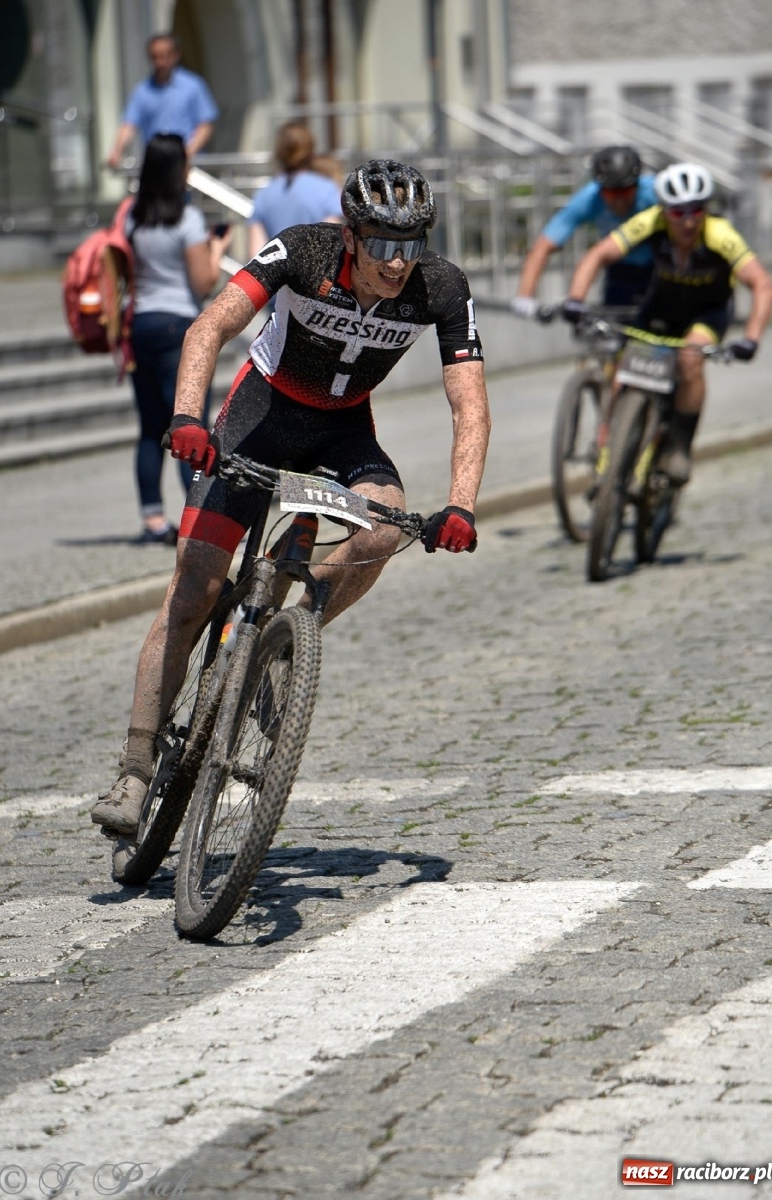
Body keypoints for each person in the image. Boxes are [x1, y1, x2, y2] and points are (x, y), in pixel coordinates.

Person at [92, 159, 491, 834]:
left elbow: (469, 401)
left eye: (411, 244)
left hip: (342, 430)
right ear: (351, 236)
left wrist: (461, 503)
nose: (397, 263)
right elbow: (210, 326)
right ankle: (133, 771)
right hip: (260, 414)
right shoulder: (305, 250)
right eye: (383, 245)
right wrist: (188, 417)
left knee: (384, 528)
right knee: (193, 588)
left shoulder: (440, 287)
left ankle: (282, 639)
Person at [562, 161, 772, 485]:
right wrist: (575, 299)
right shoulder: (651, 221)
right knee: (622, 376)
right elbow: (599, 254)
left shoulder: (719, 234)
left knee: (691, 361)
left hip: (707, 312)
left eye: (696, 210)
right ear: (665, 210)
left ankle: (679, 447)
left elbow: (762, 284)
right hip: (661, 308)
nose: (688, 220)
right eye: (678, 212)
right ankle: (614, 452)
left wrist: (752, 338)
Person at [125, 133, 232, 543]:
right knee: (189, 427)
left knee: (151, 428)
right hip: (178, 330)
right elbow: (203, 281)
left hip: (141, 326)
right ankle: (199, 519)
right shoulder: (185, 220)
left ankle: (153, 519)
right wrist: (218, 248)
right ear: (177, 170)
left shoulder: (133, 217)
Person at [512, 145, 657, 316]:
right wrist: (525, 295)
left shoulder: (655, 193)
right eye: (611, 194)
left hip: (662, 269)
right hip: (620, 270)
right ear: (600, 188)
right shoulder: (589, 199)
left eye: (626, 191)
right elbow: (544, 245)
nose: (619, 201)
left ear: (637, 185)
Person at [107, 33, 218, 169]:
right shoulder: (142, 91)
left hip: (188, 166)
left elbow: (205, 126)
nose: (160, 62)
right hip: (156, 166)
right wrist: (117, 150)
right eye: (155, 57)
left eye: (165, 56)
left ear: (175, 55)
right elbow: (129, 124)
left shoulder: (193, 86)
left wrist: (186, 153)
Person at [247, 121, 343, 260]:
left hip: (276, 278)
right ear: (310, 150)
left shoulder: (263, 195)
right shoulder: (327, 189)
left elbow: (256, 256)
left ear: (279, 151)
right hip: (315, 277)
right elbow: (332, 246)